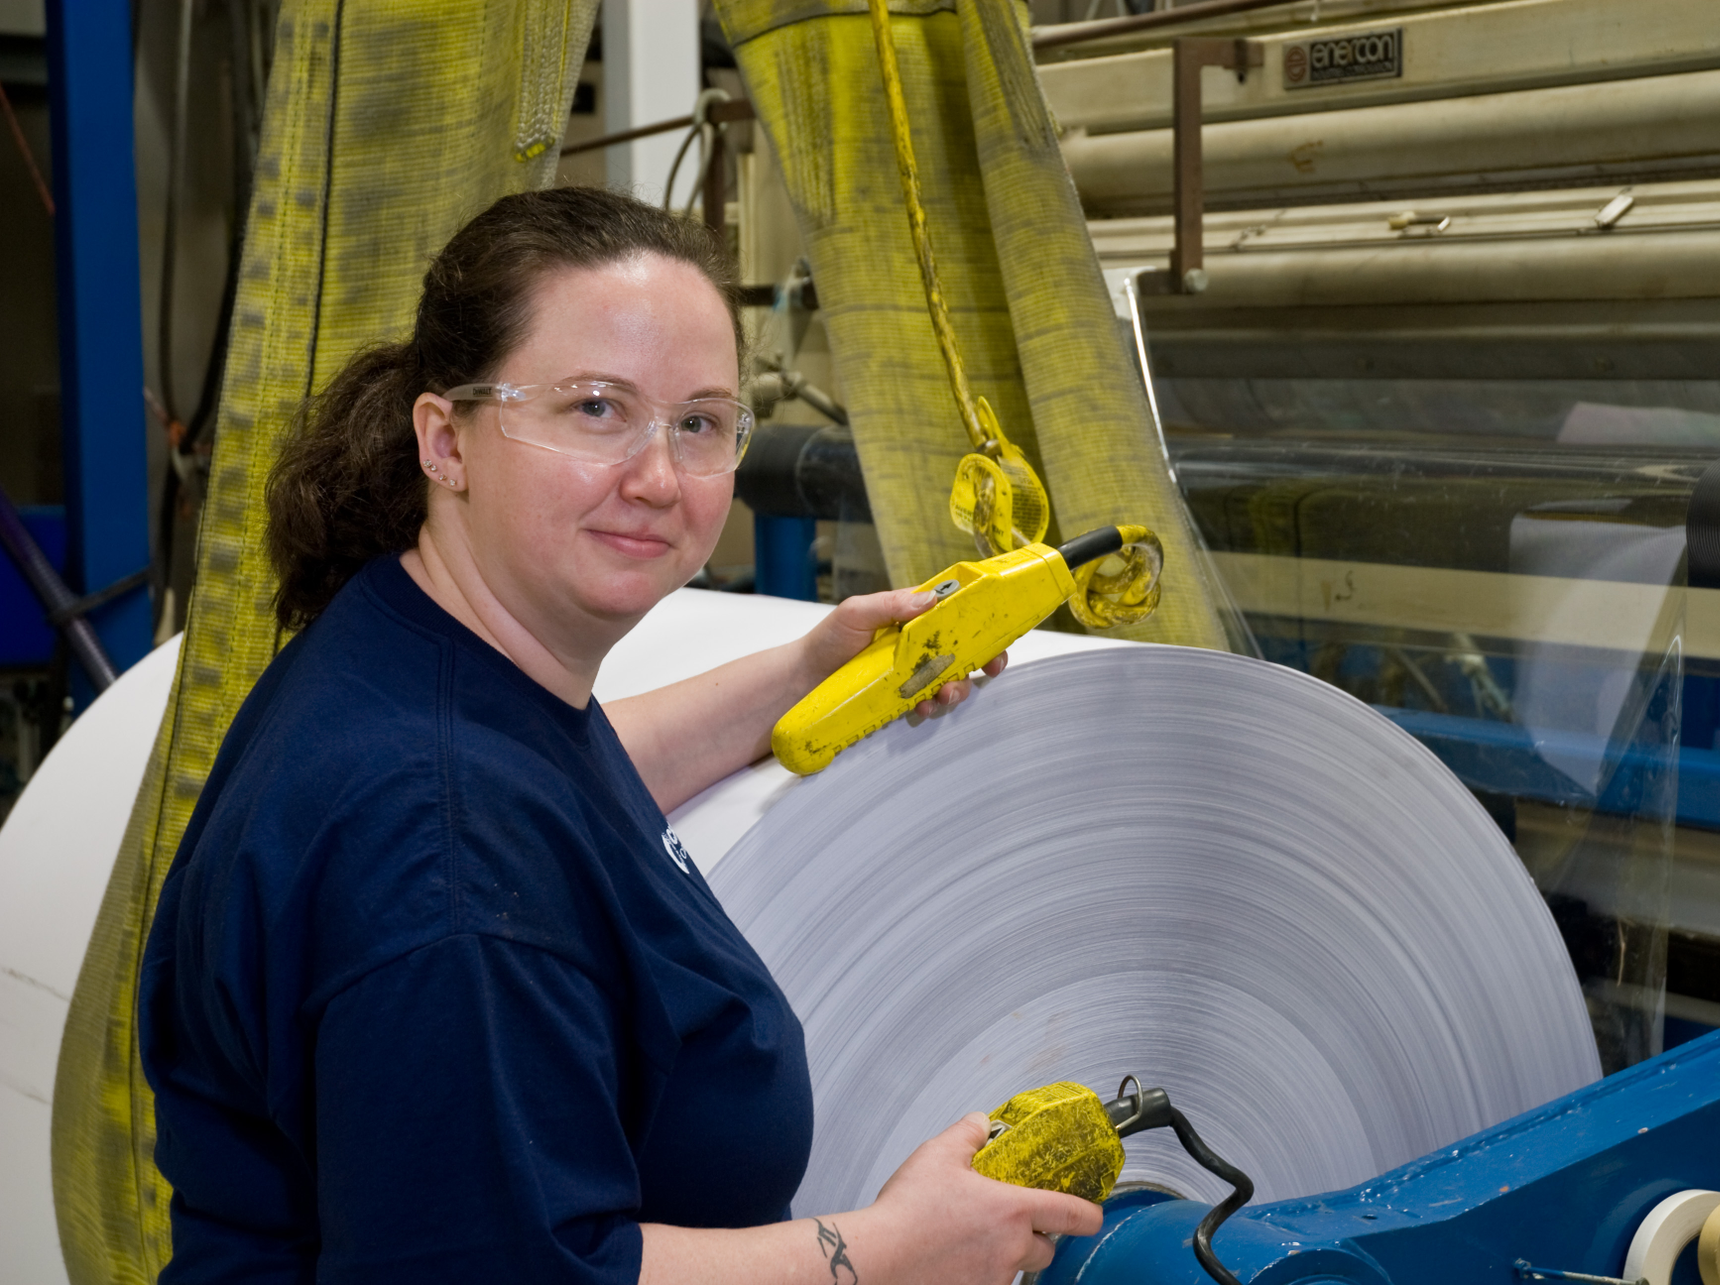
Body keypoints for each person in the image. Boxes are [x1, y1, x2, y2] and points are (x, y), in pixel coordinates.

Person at [137, 187, 1101, 1284]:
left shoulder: (417, 666)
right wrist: (893, 1251)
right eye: (596, 408)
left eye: (697, 422)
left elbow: (552, 790)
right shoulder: (439, 859)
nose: (655, 478)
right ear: (445, 439)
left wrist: (804, 669)